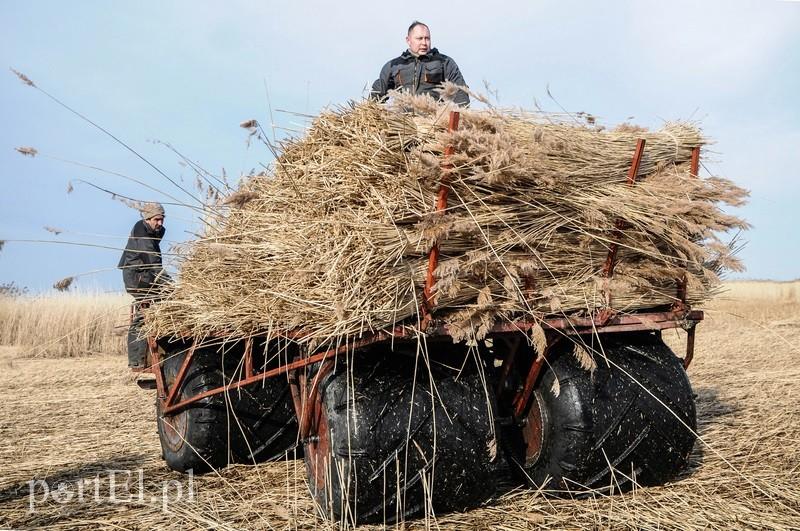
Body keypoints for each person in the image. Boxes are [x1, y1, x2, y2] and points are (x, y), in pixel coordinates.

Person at [371, 21, 469, 106]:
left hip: (433, 121)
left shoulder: (444, 62)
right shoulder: (393, 65)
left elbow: (460, 91)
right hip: (403, 122)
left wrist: (462, 118)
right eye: (419, 38)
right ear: (408, 40)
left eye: (427, 38)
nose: (424, 43)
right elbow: (378, 93)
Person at [118, 202, 168, 368]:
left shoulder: (149, 230)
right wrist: (171, 286)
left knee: (158, 308)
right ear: (147, 219)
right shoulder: (144, 238)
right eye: (157, 219)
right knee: (142, 317)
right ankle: (137, 360)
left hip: (145, 277)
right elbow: (153, 265)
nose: (160, 223)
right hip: (138, 279)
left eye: (162, 219)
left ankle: (157, 354)